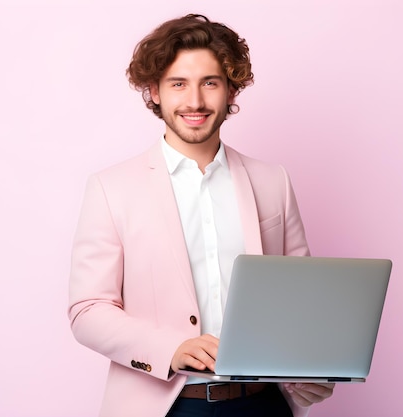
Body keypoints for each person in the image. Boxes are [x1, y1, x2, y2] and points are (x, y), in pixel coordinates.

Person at [68, 13, 334, 417]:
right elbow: (88, 310)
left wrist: (310, 374)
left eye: (209, 83)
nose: (194, 101)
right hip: (168, 406)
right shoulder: (111, 188)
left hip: (262, 404)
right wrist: (171, 349)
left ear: (230, 91)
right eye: (178, 84)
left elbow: (299, 301)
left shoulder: (271, 181)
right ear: (154, 91)